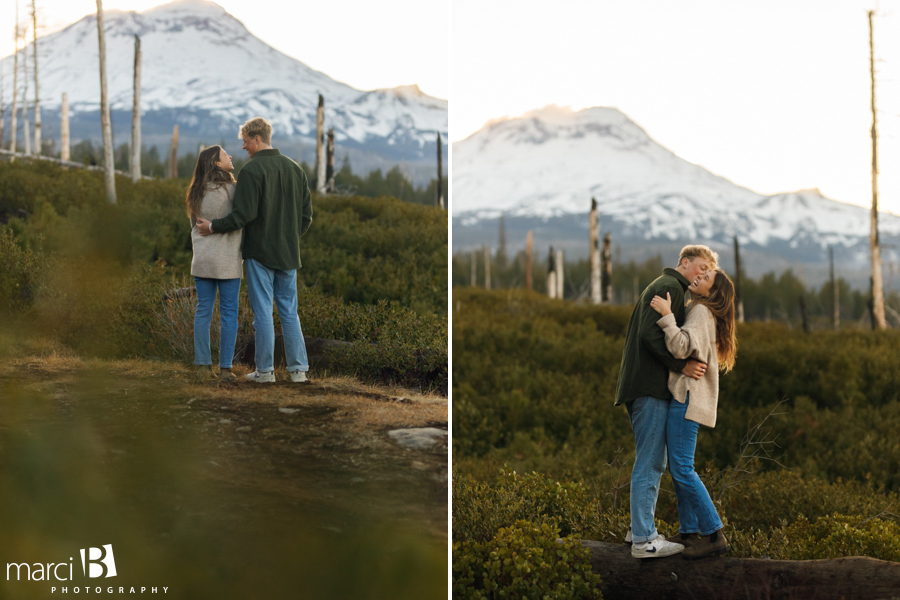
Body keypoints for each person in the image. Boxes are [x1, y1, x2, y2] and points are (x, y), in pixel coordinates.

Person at [615, 245, 718, 558]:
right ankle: (645, 540)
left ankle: (638, 528)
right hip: (649, 387)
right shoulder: (671, 286)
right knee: (652, 461)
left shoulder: (667, 288)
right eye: (700, 267)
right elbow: (650, 335)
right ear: (684, 263)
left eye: (708, 271)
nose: (702, 274)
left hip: (642, 385)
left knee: (653, 459)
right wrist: (681, 366)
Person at [196, 117, 313, 384]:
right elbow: (306, 216)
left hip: (259, 254)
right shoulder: (296, 170)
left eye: (246, 142)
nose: (244, 148)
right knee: (289, 311)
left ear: (257, 138)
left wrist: (213, 227)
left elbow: (242, 216)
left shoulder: (251, 171)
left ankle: (265, 372)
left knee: (263, 312)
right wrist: (289, 239)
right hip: (288, 254)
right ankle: (298, 372)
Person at [649, 268, 737, 559]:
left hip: (687, 398)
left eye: (707, 277)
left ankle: (713, 534)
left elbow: (681, 347)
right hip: (690, 398)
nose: (700, 276)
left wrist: (666, 316)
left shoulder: (700, 313)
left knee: (683, 468)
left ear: (712, 292)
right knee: (680, 467)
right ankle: (688, 533)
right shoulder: (700, 310)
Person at [186, 145, 242, 381]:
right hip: (227, 260)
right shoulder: (233, 190)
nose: (230, 156)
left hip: (203, 259)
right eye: (225, 155)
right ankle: (226, 369)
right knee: (229, 314)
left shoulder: (196, 192)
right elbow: (240, 220)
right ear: (217, 164)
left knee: (203, 312)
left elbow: (194, 225)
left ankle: (202, 366)